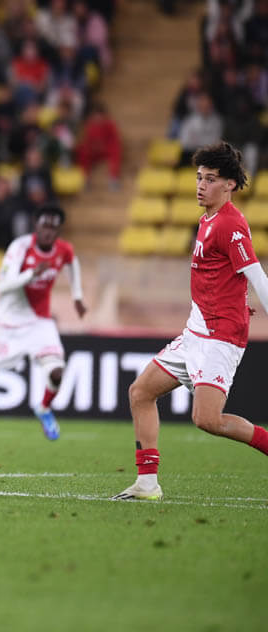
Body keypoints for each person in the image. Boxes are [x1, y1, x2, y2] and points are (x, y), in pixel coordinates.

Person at [113, 142, 268, 501]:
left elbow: (257, 276)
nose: (201, 185)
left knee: (208, 420)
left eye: (210, 179)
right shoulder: (207, 219)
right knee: (140, 392)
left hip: (219, 337)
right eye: (199, 177)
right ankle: (147, 484)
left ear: (230, 184)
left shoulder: (230, 224)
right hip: (195, 331)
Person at [0, 204, 86, 449]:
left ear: (59, 230)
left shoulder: (64, 250)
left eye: (53, 227)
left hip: (39, 321)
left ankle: (44, 408)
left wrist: (77, 296)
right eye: (44, 225)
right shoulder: (20, 247)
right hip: (6, 322)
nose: (48, 231)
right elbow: (3, 285)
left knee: (57, 372)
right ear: (35, 225)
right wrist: (31, 274)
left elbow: (73, 265)